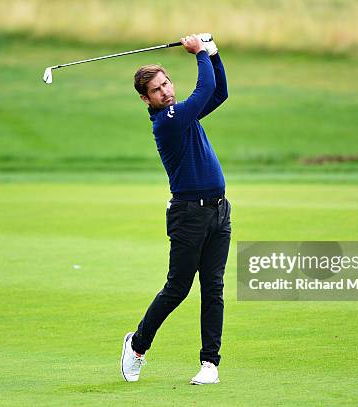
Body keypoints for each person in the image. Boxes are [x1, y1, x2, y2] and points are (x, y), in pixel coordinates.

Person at [120, 33, 231, 385]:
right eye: (156, 89)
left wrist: (213, 53)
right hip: (188, 214)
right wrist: (200, 52)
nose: (165, 91)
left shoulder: (182, 113)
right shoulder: (167, 121)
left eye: (166, 83)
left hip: (218, 211)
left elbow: (218, 92)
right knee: (178, 288)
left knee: (213, 288)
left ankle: (209, 364)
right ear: (145, 99)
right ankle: (137, 346)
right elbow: (202, 91)